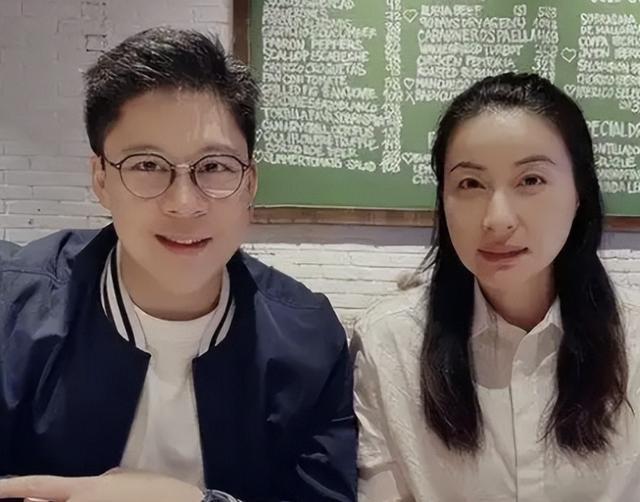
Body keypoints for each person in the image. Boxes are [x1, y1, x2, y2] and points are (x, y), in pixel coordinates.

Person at [0, 27, 356, 502]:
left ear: (250, 183)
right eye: (147, 165)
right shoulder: (13, 313)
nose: (184, 204)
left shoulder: (310, 339)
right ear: (101, 179)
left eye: (215, 167)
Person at [352, 72, 640, 501]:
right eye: (470, 184)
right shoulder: (390, 344)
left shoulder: (633, 341)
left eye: (531, 180)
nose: (497, 219)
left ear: (579, 192)